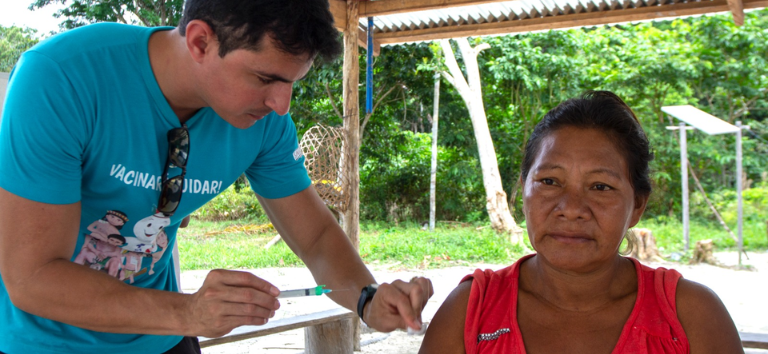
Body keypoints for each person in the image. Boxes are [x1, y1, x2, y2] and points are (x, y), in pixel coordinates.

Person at [0, 0, 433, 353]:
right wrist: (189, 313)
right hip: (43, 340)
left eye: (292, 82)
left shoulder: (261, 120)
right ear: (200, 41)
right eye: (265, 78)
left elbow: (316, 235)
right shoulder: (63, 79)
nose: (281, 104)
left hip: (162, 339)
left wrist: (367, 299)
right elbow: (32, 277)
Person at [419, 91, 743, 354]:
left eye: (600, 187)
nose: (571, 209)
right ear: (522, 191)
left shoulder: (691, 316)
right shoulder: (470, 312)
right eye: (549, 181)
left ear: (637, 207)